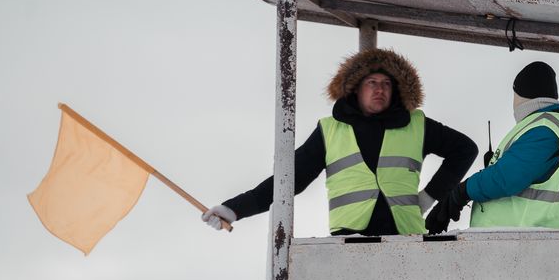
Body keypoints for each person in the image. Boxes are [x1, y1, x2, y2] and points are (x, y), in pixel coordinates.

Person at [203, 48, 478, 236]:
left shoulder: (417, 125)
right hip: (348, 243)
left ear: (396, 90)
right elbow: (288, 181)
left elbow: (465, 150)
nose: (379, 89)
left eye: (386, 83)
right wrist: (234, 209)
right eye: (371, 82)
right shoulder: (329, 130)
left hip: (406, 238)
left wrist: (428, 197)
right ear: (356, 88)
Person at [425, 61, 559, 234]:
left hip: (522, 242)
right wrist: (495, 167)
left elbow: (507, 177)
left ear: (520, 95)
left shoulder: (544, 128)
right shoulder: (557, 125)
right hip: (533, 240)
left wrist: (462, 191)